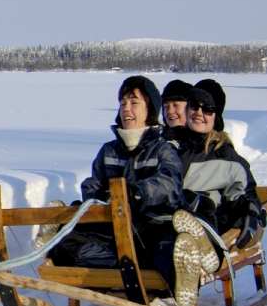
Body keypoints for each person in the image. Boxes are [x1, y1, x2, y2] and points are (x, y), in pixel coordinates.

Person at [49, 75, 185, 284]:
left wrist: (136, 193)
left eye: (134, 103)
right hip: (112, 227)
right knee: (68, 240)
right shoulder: (108, 150)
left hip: (149, 227)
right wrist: (97, 195)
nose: (126, 109)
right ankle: (120, 261)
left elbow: (170, 185)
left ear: (149, 110)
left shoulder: (162, 150)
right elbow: (94, 182)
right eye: (122, 103)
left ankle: (174, 270)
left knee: (165, 247)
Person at [164, 78, 267, 306]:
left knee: (201, 213)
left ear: (216, 115)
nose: (199, 112)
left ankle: (203, 249)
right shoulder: (172, 148)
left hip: (207, 222)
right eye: (194, 106)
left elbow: (246, 190)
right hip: (167, 222)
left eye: (207, 108)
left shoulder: (224, 155)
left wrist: (250, 212)